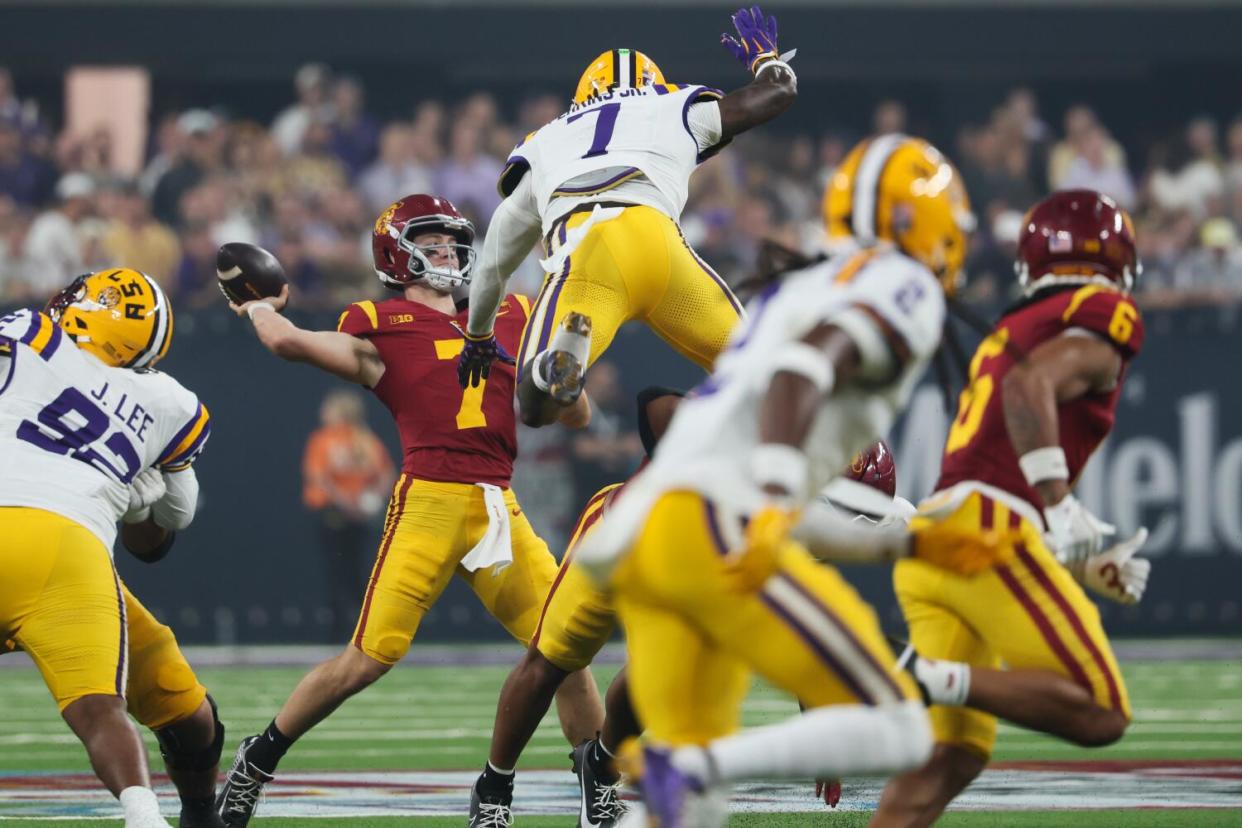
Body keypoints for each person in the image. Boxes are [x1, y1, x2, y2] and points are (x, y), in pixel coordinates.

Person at [572, 135, 1007, 827]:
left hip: (658, 528)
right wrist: (774, 494)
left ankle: (671, 771)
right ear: (909, 219)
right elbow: (805, 373)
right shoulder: (902, 286)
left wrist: (910, 547)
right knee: (895, 727)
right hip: (716, 524)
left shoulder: (806, 283)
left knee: (686, 809)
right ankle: (691, 768)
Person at [214, 194, 601, 826]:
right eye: (434, 240)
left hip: (497, 502)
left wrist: (563, 376)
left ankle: (590, 786)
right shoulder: (379, 322)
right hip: (428, 500)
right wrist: (259, 306)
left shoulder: (513, 311)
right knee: (367, 658)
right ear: (399, 252)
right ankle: (259, 757)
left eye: (454, 241)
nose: (449, 252)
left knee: (565, 648)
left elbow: (574, 413)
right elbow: (288, 343)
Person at [871, 189, 1152, 828]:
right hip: (984, 535)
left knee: (948, 758)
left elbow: (996, 457)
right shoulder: (1103, 311)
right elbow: (1031, 390)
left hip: (937, 538)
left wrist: (1079, 554)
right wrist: (1057, 504)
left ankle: (924, 675)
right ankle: (919, 674)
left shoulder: (1016, 327)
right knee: (1100, 708)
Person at [457, 6, 797, 429]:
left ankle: (561, 360)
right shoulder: (672, 106)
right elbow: (776, 94)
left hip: (590, 251)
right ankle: (853, 468)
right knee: (759, 375)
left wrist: (478, 334)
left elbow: (494, 260)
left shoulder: (546, 139)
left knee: (535, 401)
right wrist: (767, 59)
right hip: (662, 246)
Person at [0, 269, 221, 828]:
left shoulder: (29, 333)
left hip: (41, 528)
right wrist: (141, 504)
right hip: (67, 552)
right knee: (107, 710)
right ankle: (153, 816)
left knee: (179, 706)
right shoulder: (170, 401)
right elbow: (177, 519)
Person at [470, 387, 683, 828]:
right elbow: (653, 401)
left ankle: (601, 767)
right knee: (550, 662)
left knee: (664, 667)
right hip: (617, 535)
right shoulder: (747, 427)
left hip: (681, 560)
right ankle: (493, 788)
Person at [302, 388, 395, 641]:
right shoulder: (366, 439)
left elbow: (319, 477)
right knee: (358, 573)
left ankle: (340, 633)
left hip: (336, 514)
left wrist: (347, 502)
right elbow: (386, 476)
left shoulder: (325, 439)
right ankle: (365, 631)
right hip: (358, 516)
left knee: (339, 574)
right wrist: (370, 500)